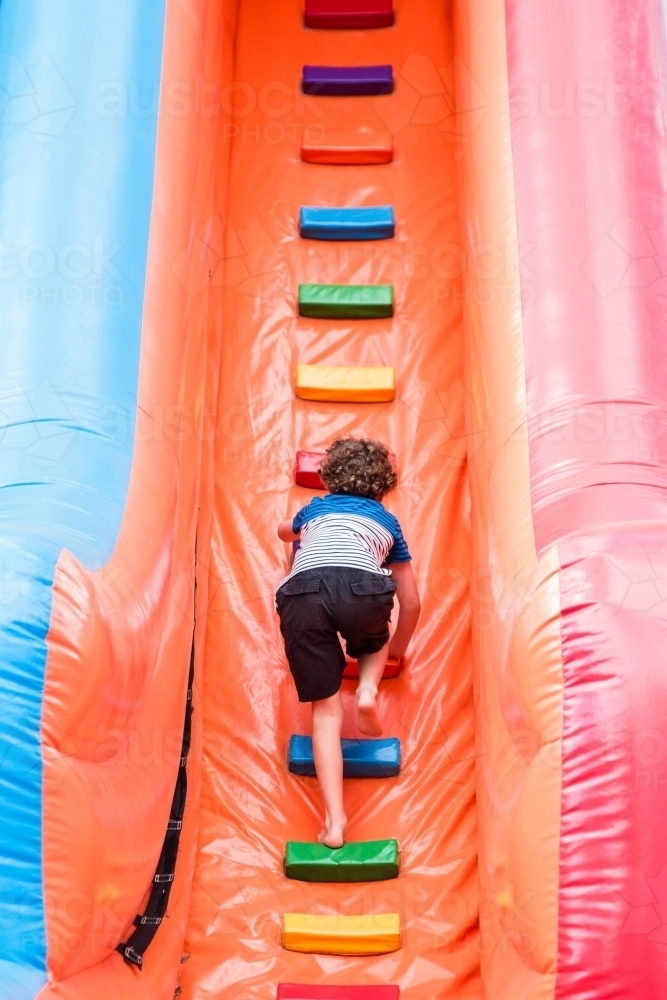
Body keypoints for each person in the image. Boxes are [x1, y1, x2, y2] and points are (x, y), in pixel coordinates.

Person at [275, 437, 421, 848]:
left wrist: (295, 531)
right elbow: (411, 600)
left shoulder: (316, 508)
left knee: (325, 711)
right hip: (362, 589)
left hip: (303, 593)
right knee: (372, 637)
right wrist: (396, 647)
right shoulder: (388, 523)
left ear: (327, 478)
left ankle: (335, 822)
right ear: (382, 487)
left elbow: (284, 532)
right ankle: (369, 689)